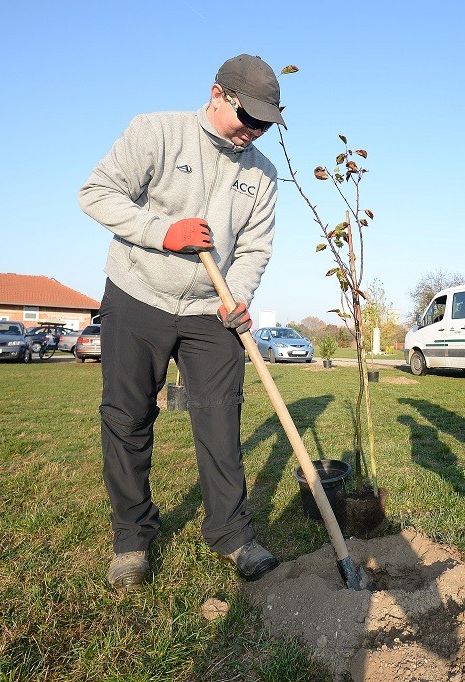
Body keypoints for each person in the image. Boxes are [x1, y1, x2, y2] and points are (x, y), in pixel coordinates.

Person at [78, 54, 286, 590]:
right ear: (217, 94)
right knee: (127, 419)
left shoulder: (261, 173)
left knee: (220, 422)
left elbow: (256, 249)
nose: (254, 132)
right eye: (249, 117)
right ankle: (132, 538)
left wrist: (236, 295)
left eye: (266, 123)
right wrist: (162, 231)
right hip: (137, 294)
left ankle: (231, 533)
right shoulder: (157, 132)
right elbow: (95, 193)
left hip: (209, 315)